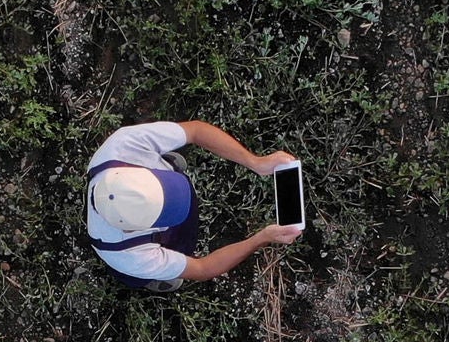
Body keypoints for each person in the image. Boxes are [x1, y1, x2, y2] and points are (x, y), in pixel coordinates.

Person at [85, 119, 302, 291]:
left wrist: (255, 162)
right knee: (134, 275)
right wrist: (262, 238)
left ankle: (165, 164)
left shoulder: (122, 145)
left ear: (136, 170)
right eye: (163, 214)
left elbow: (196, 131)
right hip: (148, 248)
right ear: (132, 229)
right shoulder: (127, 255)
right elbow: (202, 267)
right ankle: (152, 276)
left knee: (171, 162)